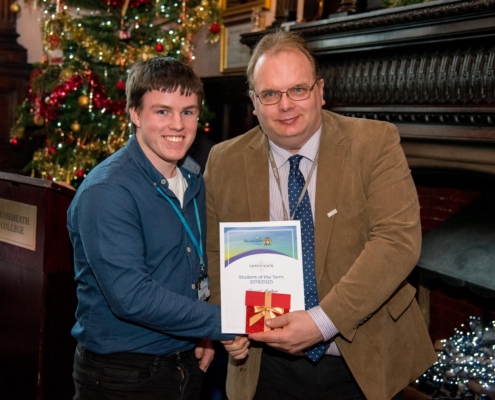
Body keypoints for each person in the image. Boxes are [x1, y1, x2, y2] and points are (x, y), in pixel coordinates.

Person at [204, 31, 436, 400]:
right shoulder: (223, 161)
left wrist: (321, 322)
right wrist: (227, 319)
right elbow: (216, 253)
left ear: (320, 91)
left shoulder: (374, 143)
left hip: (361, 360)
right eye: (270, 94)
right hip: (265, 366)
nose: (286, 105)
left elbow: (397, 242)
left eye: (298, 89)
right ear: (254, 103)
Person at [67, 57, 234, 400]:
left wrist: (202, 335)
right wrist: (225, 321)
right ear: (135, 113)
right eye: (162, 111)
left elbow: (189, 267)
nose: (178, 124)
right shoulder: (108, 190)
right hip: (123, 375)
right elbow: (132, 297)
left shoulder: (192, 177)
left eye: (188, 112)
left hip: (186, 362)